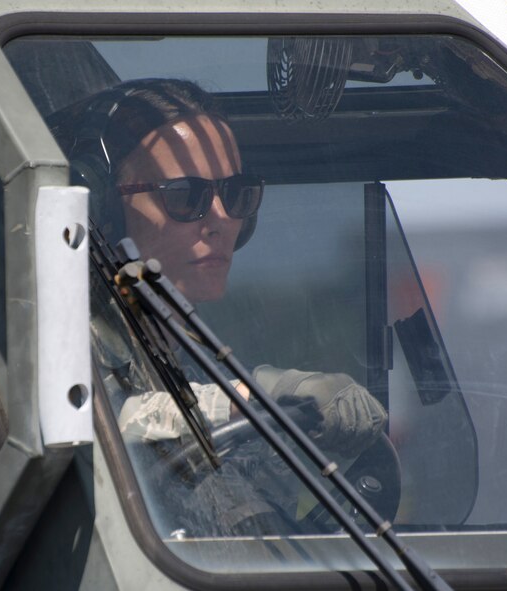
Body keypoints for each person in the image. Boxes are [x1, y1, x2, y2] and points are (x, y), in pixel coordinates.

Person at [49, 78, 388, 535]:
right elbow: (97, 426)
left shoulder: (186, 344)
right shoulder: (54, 331)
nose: (224, 220)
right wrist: (251, 398)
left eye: (236, 194)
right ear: (104, 205)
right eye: (186, 195)